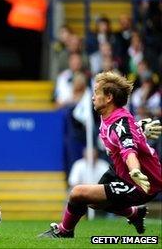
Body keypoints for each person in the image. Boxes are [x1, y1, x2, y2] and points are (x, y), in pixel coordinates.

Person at [39, 71, 162, 238]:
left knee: (78, 193)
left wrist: (135, 171)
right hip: (121, 172)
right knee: (93, 203)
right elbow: (126, 134)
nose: (92, 97)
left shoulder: (119, 123)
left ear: (109, 97)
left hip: (140, 181)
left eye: (96, 92)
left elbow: (128, 150)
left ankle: (64, 231)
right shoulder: (112, 117)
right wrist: (140, 129)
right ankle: (135, 214)